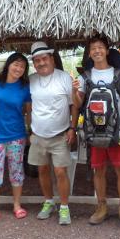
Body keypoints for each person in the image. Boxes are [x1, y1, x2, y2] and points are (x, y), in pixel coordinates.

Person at [72, 34, 120, 228]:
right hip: (94, 130)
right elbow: (78, 104)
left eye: (100, 47)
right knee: (98, 169)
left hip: (117, 129)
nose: (97, 51)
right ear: (89, 54)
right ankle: (101, 206)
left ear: (107, 51)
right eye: (93, 49)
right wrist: (75, 92)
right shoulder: (84, 77)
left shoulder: (119, 74)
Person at [28, 41, 78, 225]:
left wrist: (72, 127)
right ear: (34, 63)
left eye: (44, 59)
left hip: (60, 134)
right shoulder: (31, 80)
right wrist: (29, 130)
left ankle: (64, 207)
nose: (41, 63)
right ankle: (48, 202)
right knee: (42, 169)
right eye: (37, 60)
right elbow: (29, 106)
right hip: (38, 134)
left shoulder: (64, 78)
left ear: (51, 59)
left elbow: (74, 105)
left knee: (60, 171)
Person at [0, 53, 32, 224]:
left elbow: (28, 112)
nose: (18, 69)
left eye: (22, 66)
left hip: (17, 135)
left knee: (16, 170)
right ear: (8, 64)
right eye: (15, 64)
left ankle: (17, 205)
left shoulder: (25, 87)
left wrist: (29, 131)